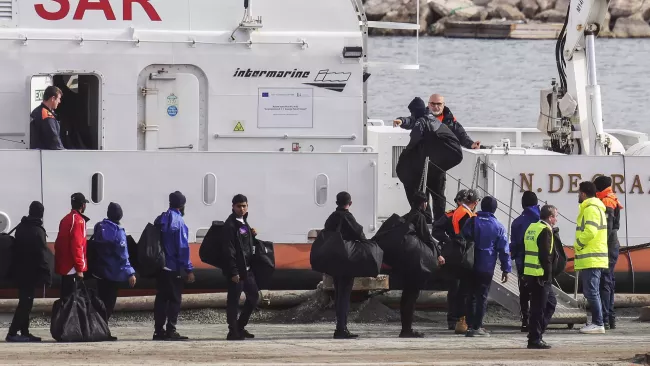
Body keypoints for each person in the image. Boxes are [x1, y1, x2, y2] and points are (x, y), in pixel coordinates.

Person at [393, 97, 463, 223]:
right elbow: (411, 120)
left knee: (422, 193)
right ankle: (440, 224)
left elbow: (414, 139)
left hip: (427, 167)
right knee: (439, 197)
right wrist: (402, 121)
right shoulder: (431, 118)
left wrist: (405, 156)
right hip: (438, 164)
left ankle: (426, 220)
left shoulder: (421, 122)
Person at [462, 196, 511, 337]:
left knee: (470, 295)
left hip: (470, 264)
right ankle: (477, 327)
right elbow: (504, 250)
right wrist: (505, 269)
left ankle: (469, 325)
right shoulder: (498, 226)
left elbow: (463, 239)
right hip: (486, 266)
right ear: (494, 209)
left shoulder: (471, 221)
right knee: (481, 296)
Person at [432, 189, 480, 333]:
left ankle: (459, 319)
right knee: (457, 289)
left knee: (460, 289)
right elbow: (437, 230)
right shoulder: (458, 215)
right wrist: (449, 241)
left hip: (460, 254)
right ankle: (455, 319)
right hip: (458, 255)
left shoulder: (462, 214)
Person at [399, 191, 446, 338]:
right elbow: (427, 238)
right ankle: (407, 329)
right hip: (415, 262)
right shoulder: (419, 217)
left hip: (405, 261)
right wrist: (439, 254)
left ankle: (405, 327)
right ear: (423, 204)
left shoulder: (406, 217)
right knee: (412, 295)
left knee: (406, 295)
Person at [6, 201, 51, 342]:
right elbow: (42, 255)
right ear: (41, 214)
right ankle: (12, 333)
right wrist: (47, 275)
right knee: (25, 304)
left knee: (25, 302)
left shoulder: (21, 227)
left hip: (19, 272)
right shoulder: (38, 231)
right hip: (30, 274)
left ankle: (24, 332)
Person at [152, 191, 195, 341]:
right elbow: (182, 248)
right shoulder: (179, 222)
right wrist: (188, 269)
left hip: (160, 266)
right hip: (173, 267)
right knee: (175, 299)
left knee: (161, 299)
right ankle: (171, 329)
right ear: (182, 205)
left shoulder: (161, 218)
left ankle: (158, 330)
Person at [323, 191, 366, 339]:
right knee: (344, 295)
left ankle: (340, 327)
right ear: (350, 203)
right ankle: (341, 328)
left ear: (336, 202)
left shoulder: (331, 218)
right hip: (346, 261)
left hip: (334, 261)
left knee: (338, 293)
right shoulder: (347, 217)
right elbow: (359, 233)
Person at [89, 202, 136, 330]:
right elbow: (123, 255)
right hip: (113, 273)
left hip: (99, 272)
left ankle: (97, 327)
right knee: (109, 303)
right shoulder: (118, 231)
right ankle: (103, 329)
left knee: (100, 301)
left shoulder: (99, 227)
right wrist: (130, 273)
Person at [223, 194, 260, 341]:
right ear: (233, 207)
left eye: (244, 206)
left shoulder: (244, 222)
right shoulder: (230, 225)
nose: (242, 209)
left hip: (247, 269)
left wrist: (253, 236)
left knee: (254, 296)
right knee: (233, 300)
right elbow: (229, 250)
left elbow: (246, 245)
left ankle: (240, 326)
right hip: (237, 270)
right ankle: (232, 331)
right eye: (239, 206)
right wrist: (233, 271)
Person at [574, 181, 608, 334]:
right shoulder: (596, 208)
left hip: (592, 258)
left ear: (583, 193)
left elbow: (590, 231)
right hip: (594, 257)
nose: (578, 195)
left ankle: (598, 323)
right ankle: (597, 322)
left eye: (579, 192)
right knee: (592, 291)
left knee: (591, 292)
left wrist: (579, 243)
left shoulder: (590, 209)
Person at [523, 205, 559, 349]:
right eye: (555, 216)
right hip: (540, 275)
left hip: (531, 273)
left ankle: (535, 333)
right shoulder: (545, 230)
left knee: (550, 303)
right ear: (550, 218)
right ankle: (535, 339)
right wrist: (548, 275)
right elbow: (545, 255)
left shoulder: (532, 227)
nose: (556, 219)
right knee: (539, 308)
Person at [593, 175, 622, 330]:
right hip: (613, 245)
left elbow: (608, 228)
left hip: (608, 246)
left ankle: (605, 318)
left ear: (598, 187)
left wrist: (600, 246)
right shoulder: (611, 198)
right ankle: (610, 318)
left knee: (604, 281)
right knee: (609, 281)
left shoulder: (606, 201)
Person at [509, 191, 541, 332]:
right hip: (541, 263)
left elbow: (514, 244)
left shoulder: (517, 222)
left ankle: (525, 321)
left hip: (523, 263)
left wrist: (511, 257)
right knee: (539, 292)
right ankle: (538, 320)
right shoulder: (542, 219)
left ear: (523, 204)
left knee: (524, 292)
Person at [54, 193, 90, 299]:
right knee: (72, 299)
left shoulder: (65, 219)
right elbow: (77, 245)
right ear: (82, 205)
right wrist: (80, 268)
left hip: (64, 266)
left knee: (65, 298)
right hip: (72, 267)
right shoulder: (79, 221)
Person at [30, 85, 65, 150]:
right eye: (59, 99)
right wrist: (63, 151)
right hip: (46, 154)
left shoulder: (37, 111)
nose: (59, 101)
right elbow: (54, 140)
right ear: (53, 98)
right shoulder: (46, 115)